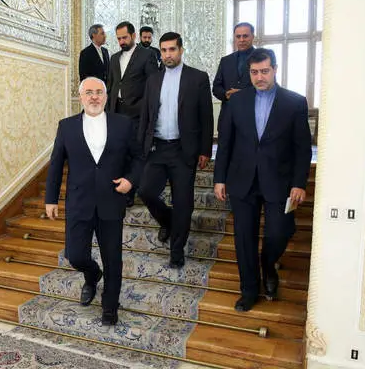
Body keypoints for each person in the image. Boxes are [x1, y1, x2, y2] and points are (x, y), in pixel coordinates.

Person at [213, 48, 312, 312]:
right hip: (242, 179)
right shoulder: (236, 101)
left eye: (265, 71)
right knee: (244, 239)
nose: (259, 77)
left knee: (280, 233)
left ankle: (268, 266)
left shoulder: (294, 102)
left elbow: (302, 148)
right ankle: (249, 290)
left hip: (279, 181)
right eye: (254, 72)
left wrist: (299, 183)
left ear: (275, 70)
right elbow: (225, 143)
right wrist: (219, 178)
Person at [45, 77, 144, 325]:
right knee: (75, 255)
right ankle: (92, 275)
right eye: (88, 92)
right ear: (81, 97)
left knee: (113, 259)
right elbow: (56, 164)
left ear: (106, 96)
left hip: (111, 200)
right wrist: (50, 199)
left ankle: (110, 306)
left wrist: (130, 180)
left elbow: (139, 158)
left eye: (99, 92)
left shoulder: (123, 124)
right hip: (79, 201)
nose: (94, 97)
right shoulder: (66, 126)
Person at [137, 32, 214, 268]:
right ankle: (168, 221)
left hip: (183, 150)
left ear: (181, 50)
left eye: (172, 49)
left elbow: (206, 117)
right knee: (146, 191)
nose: (168, 54)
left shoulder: (198, 78)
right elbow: (145, 116)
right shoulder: (153, 80)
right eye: (164, 50)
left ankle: (177, 251)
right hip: (158, 148)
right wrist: (141, 147)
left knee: (183, 203)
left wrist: (205, 150)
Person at [107, 21, 159, 206]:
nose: (121, 41)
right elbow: (111, 85)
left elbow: (154, 85)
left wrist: (145, 109)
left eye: (124, 38)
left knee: (135, 154)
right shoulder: (114, 58)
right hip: (116, 113)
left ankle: (131, 190)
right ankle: (121, 190)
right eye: (119, 38)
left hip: (137, 114)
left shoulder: (147, 55)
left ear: (134, 36)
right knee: (119, 153)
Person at [212, 22, 256, 107]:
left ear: (253, 37)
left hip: (252, 110)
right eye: (238, 36)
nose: (241, 40)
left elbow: (268, 87)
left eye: (245, 36)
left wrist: (243, 94)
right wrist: (226, 94)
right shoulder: (225, 61)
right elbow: (216, 88)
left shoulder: (263, 59)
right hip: (228, 112)